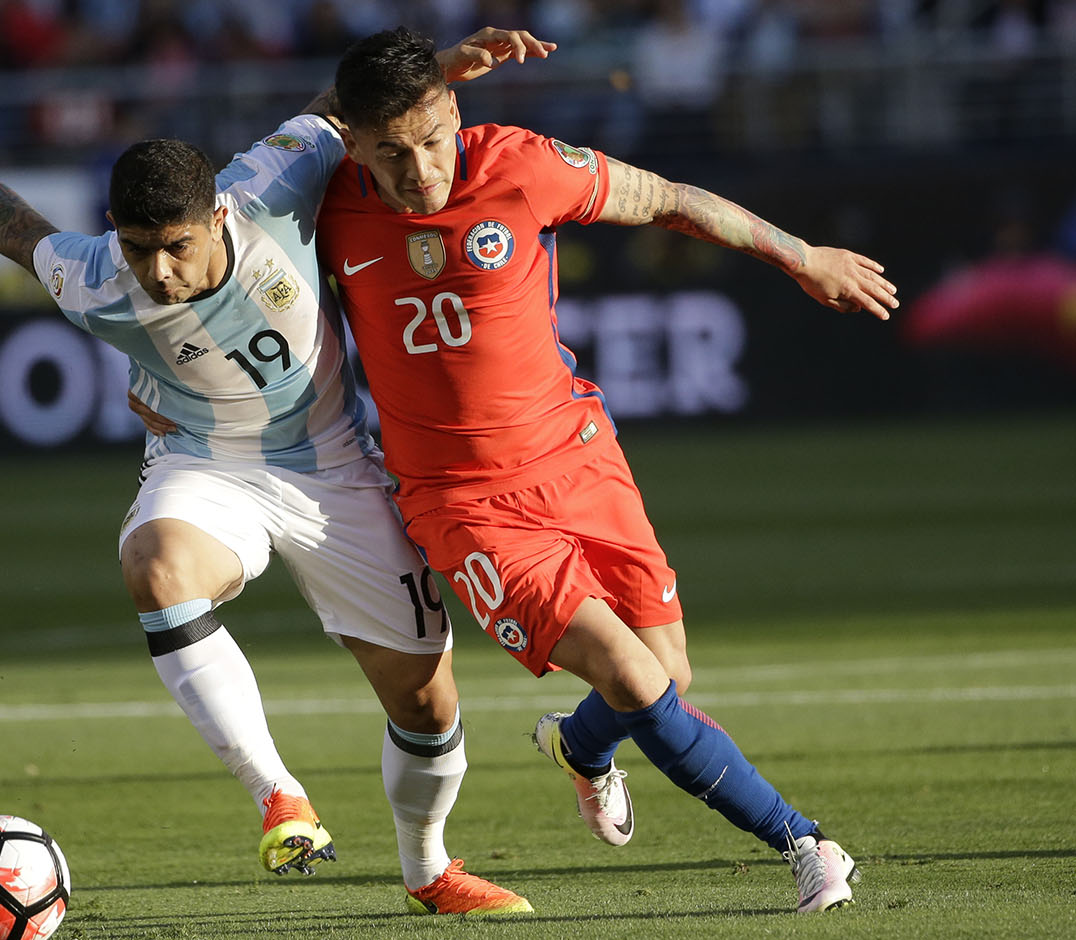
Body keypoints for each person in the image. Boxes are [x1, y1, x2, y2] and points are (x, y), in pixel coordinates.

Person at [0, 28, 554, 916]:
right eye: (137, 248)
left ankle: (428, 871)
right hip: (206, 462)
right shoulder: (96, 278)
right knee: (155, 567)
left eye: (175, 245)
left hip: (333, 465)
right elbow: (20, 233)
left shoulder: (273, 183)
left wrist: (438, 71)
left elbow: (346, 109)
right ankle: (278, 797)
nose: (157, 272)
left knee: (427, 705)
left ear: (216, 218)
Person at [314, 27, 899, 914]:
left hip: (577, 455)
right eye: (390, 152)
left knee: (667, 672)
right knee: (632, 677)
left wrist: (801, 257)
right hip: (462, 503)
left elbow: (669, 199)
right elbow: (238, 221)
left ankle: (581, 748)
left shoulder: (519, 166)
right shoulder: (322, 204)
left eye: (431, 140)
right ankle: (807, 843)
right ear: (353, 142)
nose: (419, 170)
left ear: (455, 113)